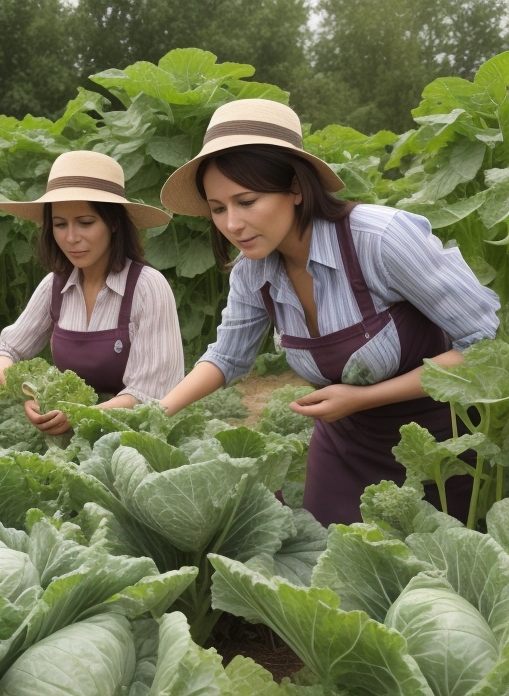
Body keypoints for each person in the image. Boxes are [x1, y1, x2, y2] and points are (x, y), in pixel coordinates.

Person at [157, 98, 499, 526]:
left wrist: (363, 397)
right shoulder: (252, 271)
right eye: (218, 208)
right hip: (345, 446)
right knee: (328, 568)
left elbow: (482, 346)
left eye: (246, 201)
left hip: (441, 448)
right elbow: (227, 357)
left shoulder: (380, 239)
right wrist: (155, 411)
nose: (232, 224)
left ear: (296, 188)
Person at [0, 151, 185, 435]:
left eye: (86, 222)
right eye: (60, 224)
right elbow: (3, 353)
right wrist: (27, 392)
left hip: (139, 438)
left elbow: (150, 394)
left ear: (114, 223)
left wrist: (81, 415)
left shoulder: (147, 287)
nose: (71, 238)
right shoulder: (55, 286)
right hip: (70, 435)